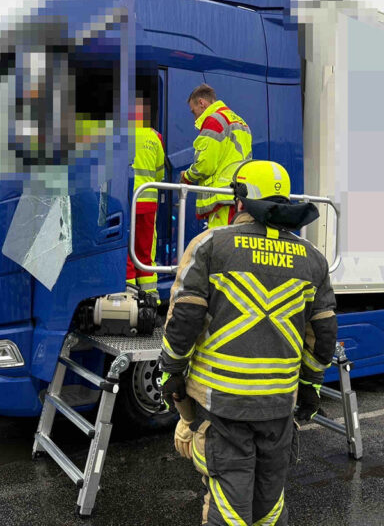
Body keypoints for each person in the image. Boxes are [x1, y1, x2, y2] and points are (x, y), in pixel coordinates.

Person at [159, 159, 338, 526]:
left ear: (238, 199)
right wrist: (309, 386)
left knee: (228, 507)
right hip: (278, 406)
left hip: (224, 406)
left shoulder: (210, 245)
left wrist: (171, 372)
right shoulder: (313, 261)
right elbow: (323, 337)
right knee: (270, 506)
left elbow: (185, 318)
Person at [180, 84, 252, 229]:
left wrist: (187, 176)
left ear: (201, 103)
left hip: (221, 198)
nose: (195, 119)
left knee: (220, 246)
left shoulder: (214, 120)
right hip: (238, 195)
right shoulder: (240, 122)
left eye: (194, 112)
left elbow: (206, 165)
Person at [126, 96, 166, 296]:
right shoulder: (154, 137)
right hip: (148, 203)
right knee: (145, 253)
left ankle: (128, 296)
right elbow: (160, 174)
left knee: (126, 251)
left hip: (125, 203)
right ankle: (150, 300)